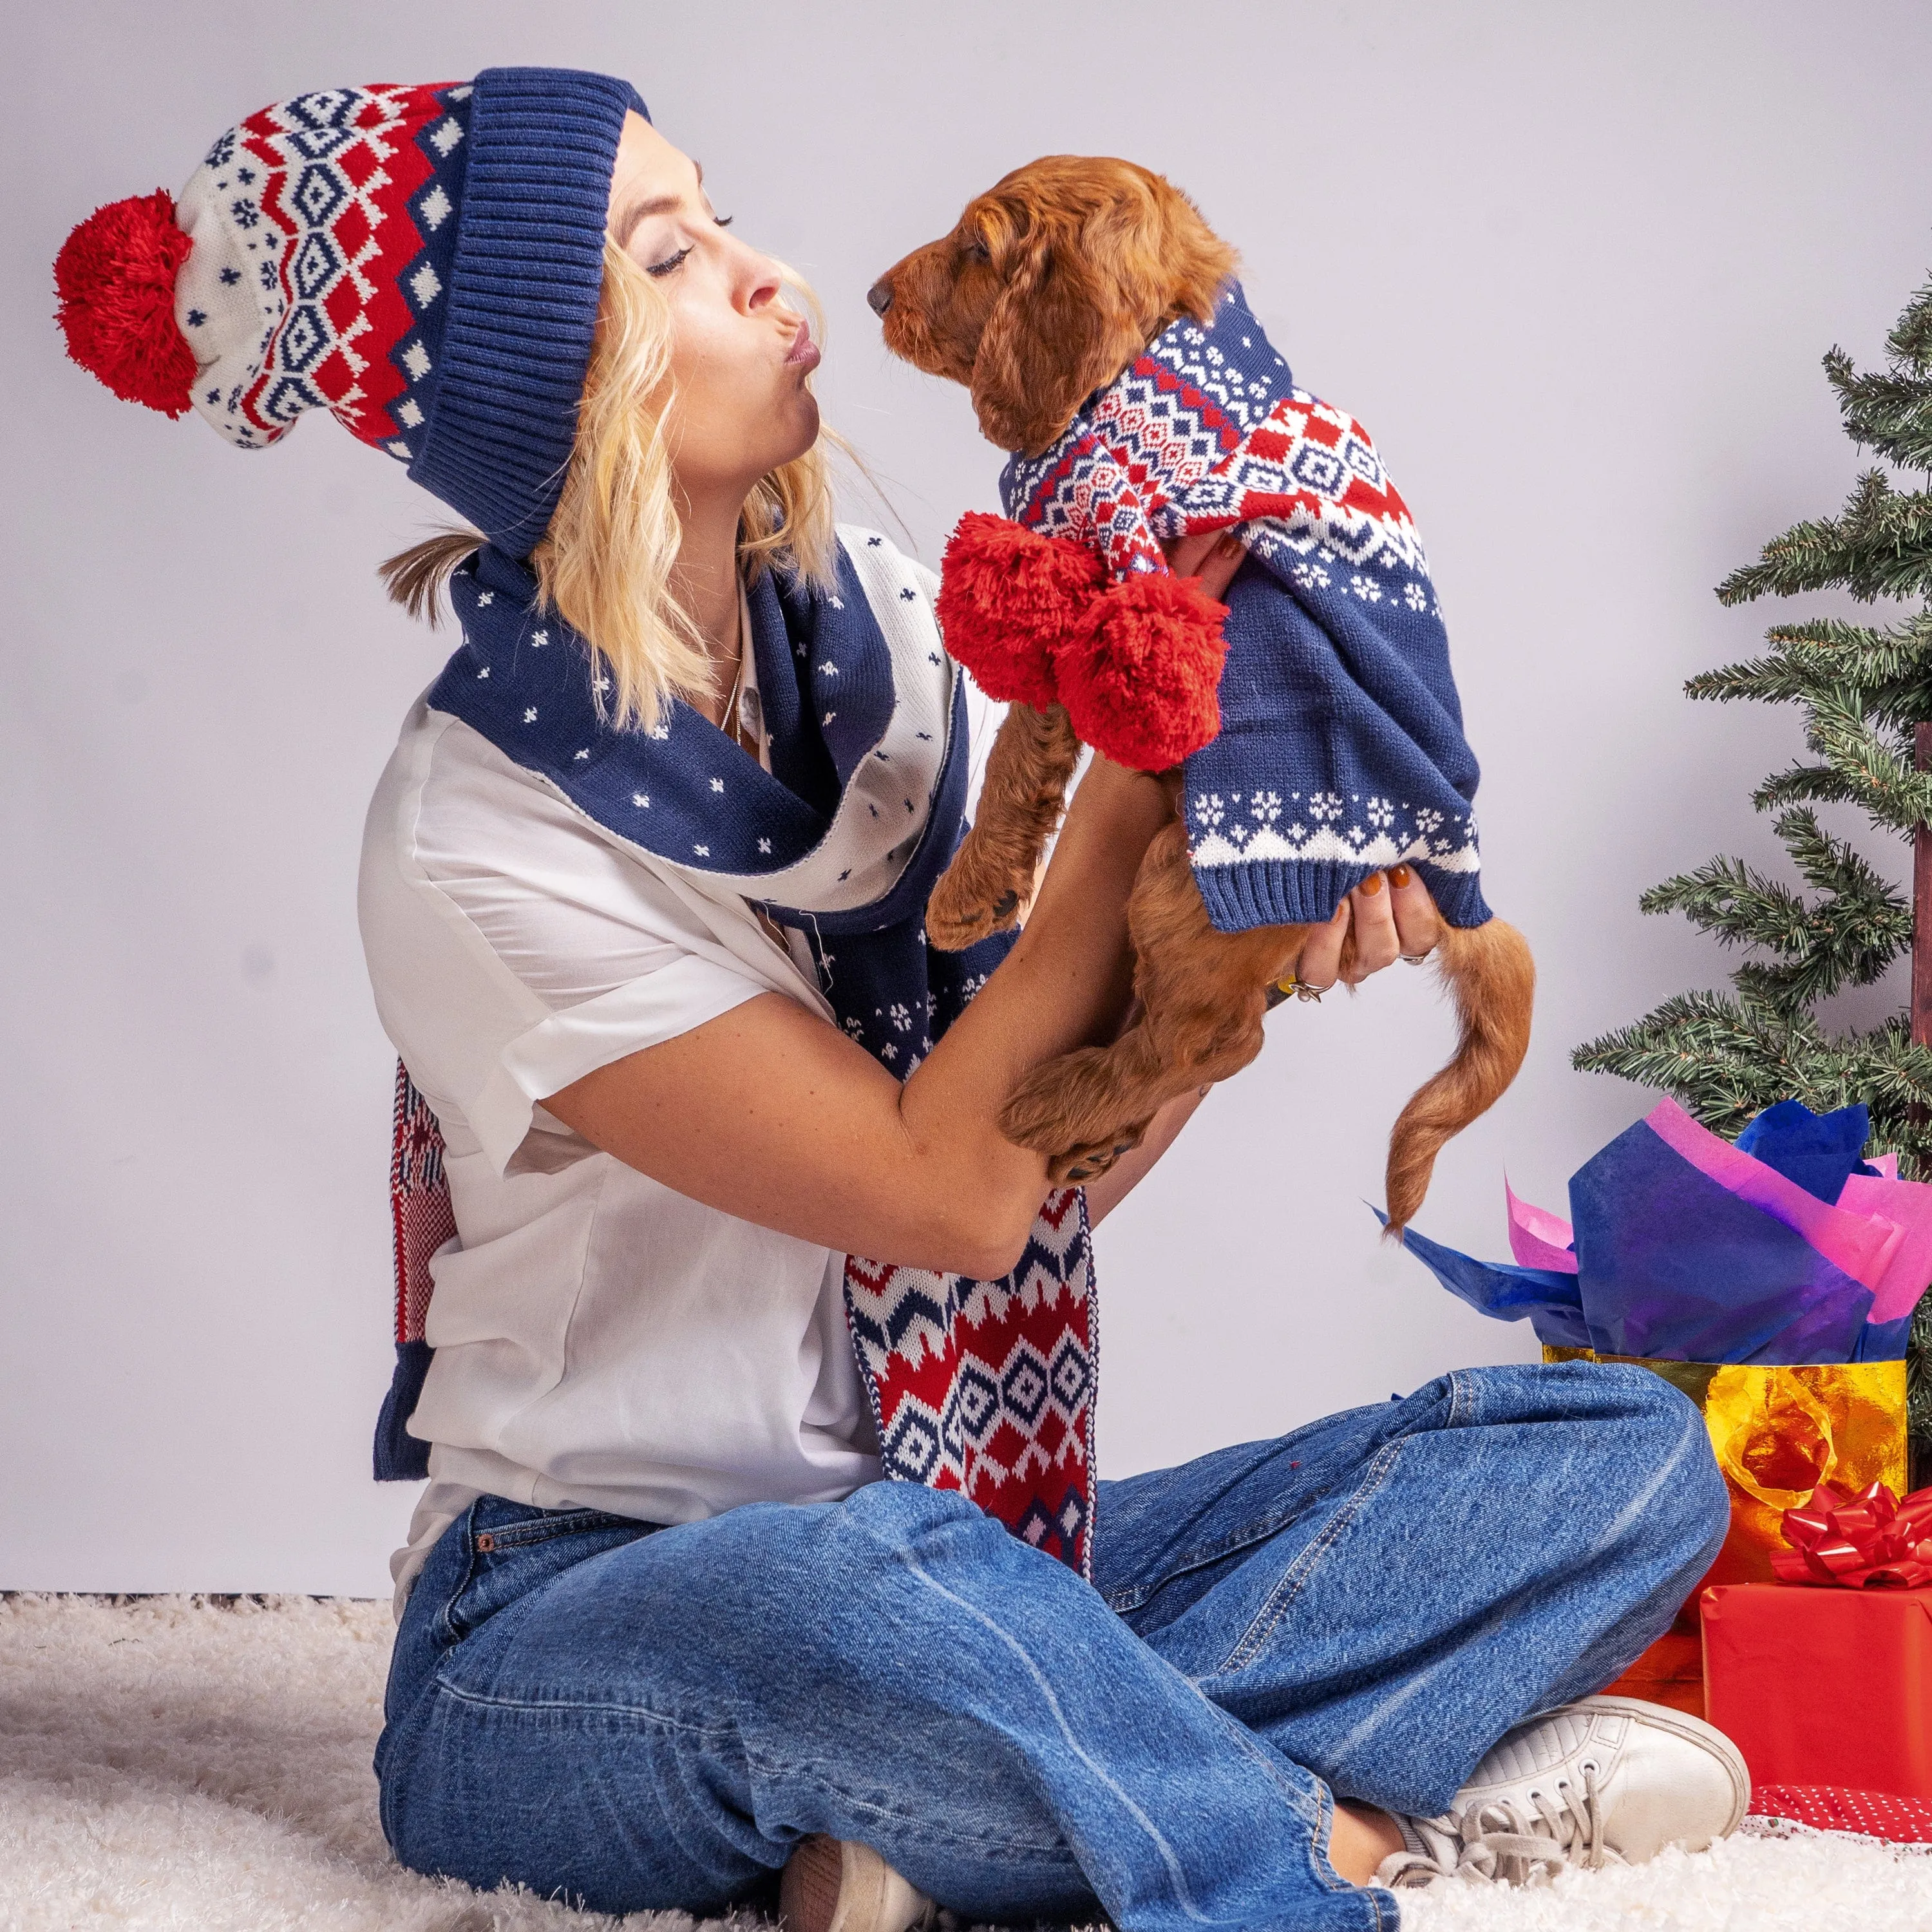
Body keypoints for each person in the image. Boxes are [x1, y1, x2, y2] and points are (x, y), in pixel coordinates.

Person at [56, 64, 1743, 1932]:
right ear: (566, 391)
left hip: (973, 1539)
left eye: (725, 213)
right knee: (854, 1595)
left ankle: (943, 1833)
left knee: (1622, 1463)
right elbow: (940, 1195)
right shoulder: (479, 836)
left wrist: (1239, 943)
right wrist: (1137, 752)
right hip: (582, 1621)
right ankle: (1330, 1843)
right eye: (676, 255)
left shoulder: (888, 635)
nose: (777, 277)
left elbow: (1041, 1188)